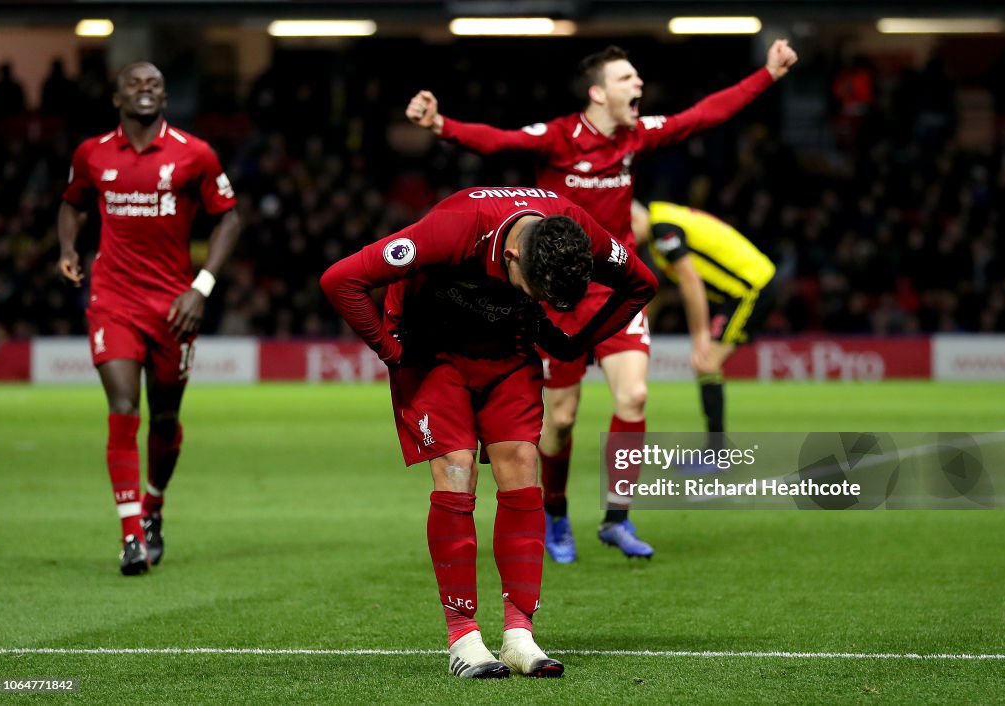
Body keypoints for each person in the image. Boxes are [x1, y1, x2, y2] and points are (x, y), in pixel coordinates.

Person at [406, 40, 798, 562]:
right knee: (561, 419)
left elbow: (702, 116)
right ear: (597, 92)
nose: (638, 85)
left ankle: (617, 518)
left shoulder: (633, 136)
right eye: (626, 79)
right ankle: (557, 513)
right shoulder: (557, 138)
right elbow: (497, 141)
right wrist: (440, 125)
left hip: (616, 290)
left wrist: (768, 74)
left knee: (633, 397)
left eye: (637, 78)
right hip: (559, 296)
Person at [320, 186, 657, 678]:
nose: (535, 296)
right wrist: (390, 351)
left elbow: (640, 283)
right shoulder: (455, 227)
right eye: (533, 287)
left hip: (508, 345)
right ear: (515, 253)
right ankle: (464, 638)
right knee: (456, 471)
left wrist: (578, 342)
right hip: (433, 349)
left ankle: (520, 635)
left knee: (522, 465)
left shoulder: (574, 229)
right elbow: (340, 278)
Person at [57, 62, 240, 576]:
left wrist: (201, 287)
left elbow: (229, 217)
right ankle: (131, 535)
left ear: (165, 95)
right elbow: (71, 203)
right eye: (135, 84)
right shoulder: (92, 153)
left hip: (173, 307)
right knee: (122, 406)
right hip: (112, 298)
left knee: (163, 417)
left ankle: (154, 506)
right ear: (117, 96)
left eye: (155, 84)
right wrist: (67, 248)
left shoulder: (194, 153)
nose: (146, 90)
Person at [634, 200, 777, 442]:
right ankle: (715, 450)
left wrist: (699, 335)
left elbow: (691, 281)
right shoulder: (664, 218)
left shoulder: (662, 229)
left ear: (634, 219)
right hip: (740, 290)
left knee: (707, 361)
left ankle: (716, 453)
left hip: (750, 289)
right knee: (707, 364)